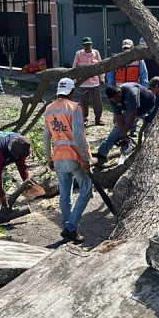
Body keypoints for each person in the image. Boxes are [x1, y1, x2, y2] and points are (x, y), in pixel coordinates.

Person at [44, 77, 93, 242]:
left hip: (58, 156)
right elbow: (78, 136)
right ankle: (71, 227)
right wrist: (85, 159)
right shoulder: (74, 107)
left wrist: (48, 158)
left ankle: (67, 227)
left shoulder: (49, 109)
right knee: (86, 190)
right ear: (72, 92)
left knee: (65, 194)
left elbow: (46, 136)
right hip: (73, 155)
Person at [96, 82, 156, 164]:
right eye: (114, 100)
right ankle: (101, 153)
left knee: (150, 130)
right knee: (116, 131)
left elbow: (132, 114)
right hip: (130, 109)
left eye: (117, 99)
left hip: (148, 106)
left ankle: (149, 153)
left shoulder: (131, 92)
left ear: (119, 92)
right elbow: (118, 116)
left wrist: (124, 132)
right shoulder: (112, 99)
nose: (116, 101)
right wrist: (122, 132)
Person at [72, 37, 104, 126]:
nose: (87, 46)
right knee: (84, 102)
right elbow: (74, 67)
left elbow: (100, 66)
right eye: (85, 45)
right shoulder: (78, 54)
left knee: (97, 102)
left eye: (89, 45)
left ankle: (98, 118)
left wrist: (102, 78)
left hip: (95, 82)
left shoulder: (96, 53)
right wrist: (75, 80)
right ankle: (84, 118)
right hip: (84, 83)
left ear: (91, 45)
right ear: (83, 45)